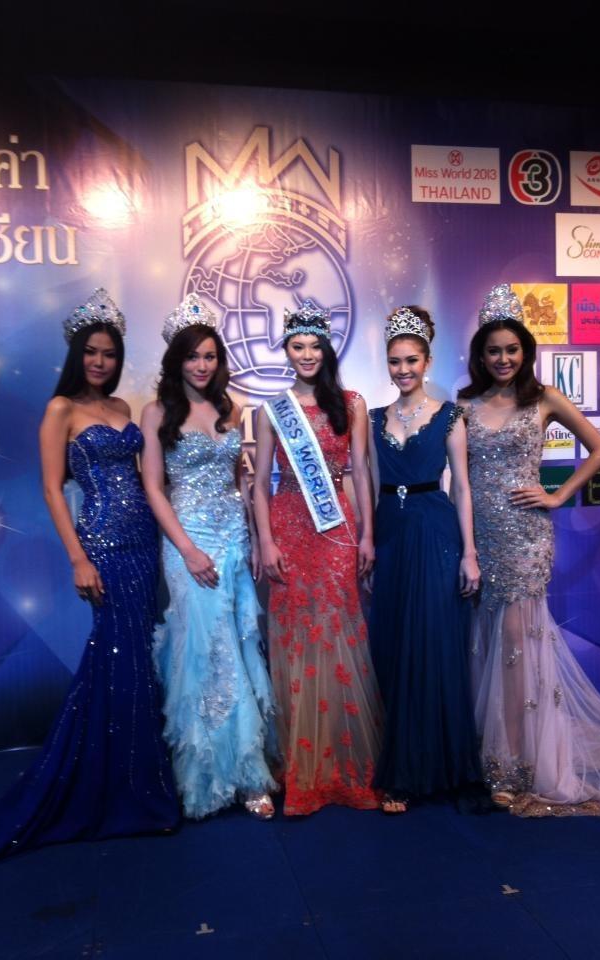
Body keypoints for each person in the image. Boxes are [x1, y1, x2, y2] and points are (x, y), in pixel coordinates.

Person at [0, 289, 179, 877]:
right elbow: (52, 489)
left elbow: (145, 477)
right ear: (78, 354)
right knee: (119, 658)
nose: (100, 361)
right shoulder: (60, 410)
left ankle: (134, 779)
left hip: (143, 542)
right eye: (92, 352)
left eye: (109, 353)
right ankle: (125, 791)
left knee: (135, 658)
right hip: (102, 544)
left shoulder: (123, 407)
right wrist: (78, 557)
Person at [460, 282, 600, 816]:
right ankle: (491, 756)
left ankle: (520, 765)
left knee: (516, 645)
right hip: (478, 538)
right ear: (480, 355)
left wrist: (557, 495)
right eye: (493, 351)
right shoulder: (463, 405)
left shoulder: (544, 398)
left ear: (525, 350)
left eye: (512, 349)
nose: (503, 359)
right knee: (484, 645)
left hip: (526, 539)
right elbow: (457, 478)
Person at [140, 294, 277, 820]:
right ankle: (205, 774)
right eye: (192, 356)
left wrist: (255, 533)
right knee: (202, 649)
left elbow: (240, 478)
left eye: (210, 356)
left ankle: (247, 772)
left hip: (233, 538)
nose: (201, 365)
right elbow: (154, 488)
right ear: (176, 360)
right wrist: (188, 549)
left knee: (238, 645)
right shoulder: (157, 412)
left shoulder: (231, 408)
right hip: (187, 541)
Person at [252, 298, 382, 816]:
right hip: (288, 526)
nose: (306, 354)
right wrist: (266, 540)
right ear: (286, 351)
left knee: (337, 630)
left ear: (327, 350)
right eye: (297, 346)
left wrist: (368, 534)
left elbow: (361, 472)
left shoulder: (352, 403)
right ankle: (303, 767)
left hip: (336, 530)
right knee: (296, 638)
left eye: (314, 346)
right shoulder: (271, 409)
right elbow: (261, 483)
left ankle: (345, 765)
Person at [367, 306, 482, 814]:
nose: (403, 369)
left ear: (427, 361)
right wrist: (368, 540)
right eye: (395, 361)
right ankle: (403, 764)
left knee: (434, 646)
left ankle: (438, 769)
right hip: (391, 532)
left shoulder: (451, 416)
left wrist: (470, 553)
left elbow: (463, 488)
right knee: (394, 646)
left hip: (435, 531)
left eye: (411, 360)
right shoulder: (372, 418)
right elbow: (368, 482)